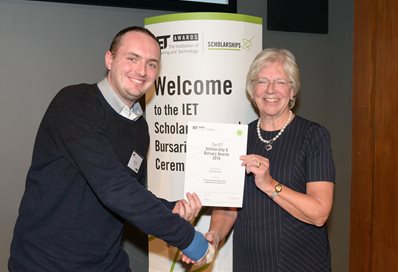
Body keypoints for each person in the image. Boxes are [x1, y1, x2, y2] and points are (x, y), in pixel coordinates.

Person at [8, 26, 213, 271]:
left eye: (151, 64)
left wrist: (171, 208)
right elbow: (113, 186)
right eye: (132, 58)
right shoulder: (75, 103)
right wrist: (189, 240)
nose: (141, 71)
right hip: (47, 263)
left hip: (106, 263)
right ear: (109, 59)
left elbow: (131, 192)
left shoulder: (139, 128)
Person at [185, 48, 336, 271]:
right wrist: (214, 237)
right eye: (262, 81)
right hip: (249, 263)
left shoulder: (313, 136)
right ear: (252, 90)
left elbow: (319, 214)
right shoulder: (237, 139)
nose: (271, 89)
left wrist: (270, 185)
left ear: (292, 90)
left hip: (301, 264)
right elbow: (228, 208)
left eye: (280, 82)